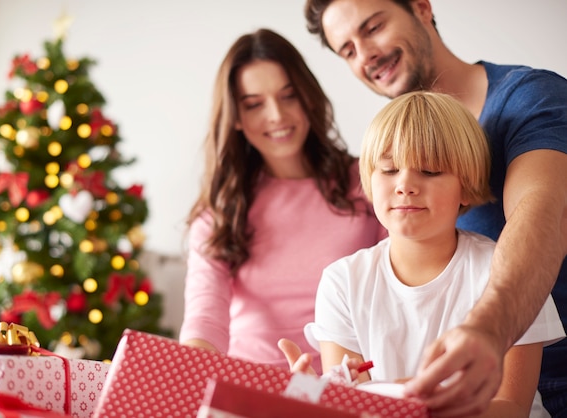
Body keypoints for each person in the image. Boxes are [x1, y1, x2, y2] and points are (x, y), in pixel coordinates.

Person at [295, 0, 567, 415]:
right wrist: (320, 394)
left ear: (421, 8)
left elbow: (543, 216)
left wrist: (488, 333)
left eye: (373, 27)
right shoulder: (347, 280)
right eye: (347, 50)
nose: (365, 54)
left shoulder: (532, 99)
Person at [179, 28, 387, 374]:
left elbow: (405, 288)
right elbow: (204, 319)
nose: (276, 115)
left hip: (351, 384)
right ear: (236, 119)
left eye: (288, 96)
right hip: (252, 388)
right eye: (254, 104)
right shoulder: (219, 215)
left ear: (308, 97)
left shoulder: (369, 181)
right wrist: (187, 378)